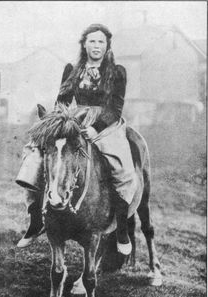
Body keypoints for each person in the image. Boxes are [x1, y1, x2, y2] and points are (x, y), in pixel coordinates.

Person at [16, 24, 137, 256]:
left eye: (101, 42)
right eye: (92, 41)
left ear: (107, 46)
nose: (96, 46)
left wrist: (95, 128)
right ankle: (35, 220)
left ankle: (121, 228)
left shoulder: (117, 71)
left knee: (123, 168)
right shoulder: (72, 69)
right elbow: (62, 101)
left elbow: (116, 107)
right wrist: (56, 123)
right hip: (74, 120)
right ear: (84, 44)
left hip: (105, 124)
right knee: (35, 152)